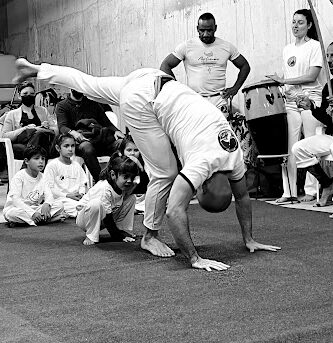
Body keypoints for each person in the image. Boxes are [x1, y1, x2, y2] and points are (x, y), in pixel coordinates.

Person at [13, 58, 280, 271]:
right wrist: (195, 258)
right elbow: (176, 212)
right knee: (166, 173)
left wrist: (249, 238)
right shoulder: (200, 165)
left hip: (150, 77)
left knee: (89, 82)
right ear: (205, 185)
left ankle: (37, 69)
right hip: (143, 101)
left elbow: (242, 195)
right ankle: (149, 237)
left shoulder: (233, 156)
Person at [267, 9, 324, 203]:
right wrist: (284, 85)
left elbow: (311, 76)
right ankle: (289, 191)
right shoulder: (287, 49)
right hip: (291, 102)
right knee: (290, 148)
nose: (295, 26)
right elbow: (289, 80)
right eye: (293, 22)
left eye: (300, 22)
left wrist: (284, 80)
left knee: (310, 145)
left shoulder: (316, 46)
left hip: (310, 100)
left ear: (309, 25)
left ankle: (311, 190)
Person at [160, 12, 250, 115]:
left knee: (218, 130)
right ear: (197, 28)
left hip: (219, 100)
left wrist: (235, 88)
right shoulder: (187, 46)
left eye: (209, 30)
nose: (206, 34)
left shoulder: (226, 47)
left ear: (215, 28)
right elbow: (165, 65)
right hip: (196, 100)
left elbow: (245, 66)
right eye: (202, 30)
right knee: (197, 130)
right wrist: (177, 89)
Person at [291, 42, 333, 207]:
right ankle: (327, 183)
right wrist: (312, 107)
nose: (329, 61)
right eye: (327, 56)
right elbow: (327, 119)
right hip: (330, 137)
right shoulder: (328, 87)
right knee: (298, 149)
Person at [56, 88, 125, 182]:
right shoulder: (62, 105)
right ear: (70, 87)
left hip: (99, 140)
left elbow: (106, 122)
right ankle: (102, 181)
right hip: (81, 143)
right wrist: (73, 132)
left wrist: (116, 130)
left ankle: (126, 180)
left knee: (123, 143)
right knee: (87, 147)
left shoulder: (93, 103)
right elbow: (62, 126)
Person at [76, 153, 140, 245]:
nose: (129, 181)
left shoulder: (121, 185)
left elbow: (139, 186)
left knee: (131, 198)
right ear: (113, 175)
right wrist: (118, 237)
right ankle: (91, 235)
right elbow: (108, 218)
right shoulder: (104, 189)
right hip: (86, 220)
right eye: (126, 177)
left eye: (132, 177)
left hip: (104, 216)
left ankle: (122, 229)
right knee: (96, 204)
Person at [3, 145, 65, 227]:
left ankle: (28, 222)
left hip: (35, 208)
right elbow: (16, 200)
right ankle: (46, 220)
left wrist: (47, 204)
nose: (41, 162)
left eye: (43, 159)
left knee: (60, 205)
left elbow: (49, 195)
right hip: (19, 209)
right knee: (12, 214)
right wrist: (32, 213)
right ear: (26, 161)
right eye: (36, 158)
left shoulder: (43, 177)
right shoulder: (19, 176)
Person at [2, 81, 58, 159]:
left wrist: (47, 127)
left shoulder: (43, 110)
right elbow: (5, 136)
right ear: (19, 95)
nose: (29, 96)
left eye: (32, 94)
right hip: (21, 146)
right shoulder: (12, 114)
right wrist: (26, 128)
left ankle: (29, 166)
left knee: (40, 135)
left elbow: (55, 130)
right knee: (39, 141)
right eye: (25, 94)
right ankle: (35, 160)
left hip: (42, 143)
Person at [43, 133, 88, 217]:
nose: (70, 149)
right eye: (66, 146)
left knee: (93, 202)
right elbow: (49, 188)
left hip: (77, 198)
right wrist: (67, 195)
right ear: (58, 148)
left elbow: (82, 184)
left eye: (72, 146)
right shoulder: (52, 165)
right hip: (62, 199)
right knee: (79, 207)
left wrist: (81, 194)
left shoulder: (76, 165)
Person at [117, 135, 149, 213]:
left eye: (136, 150)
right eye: (129, 150)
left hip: (140, 197)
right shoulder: (118, 164)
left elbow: (144, 184)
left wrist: (140, 166)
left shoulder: (144, 163)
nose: (132, 153)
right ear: (122, 152)